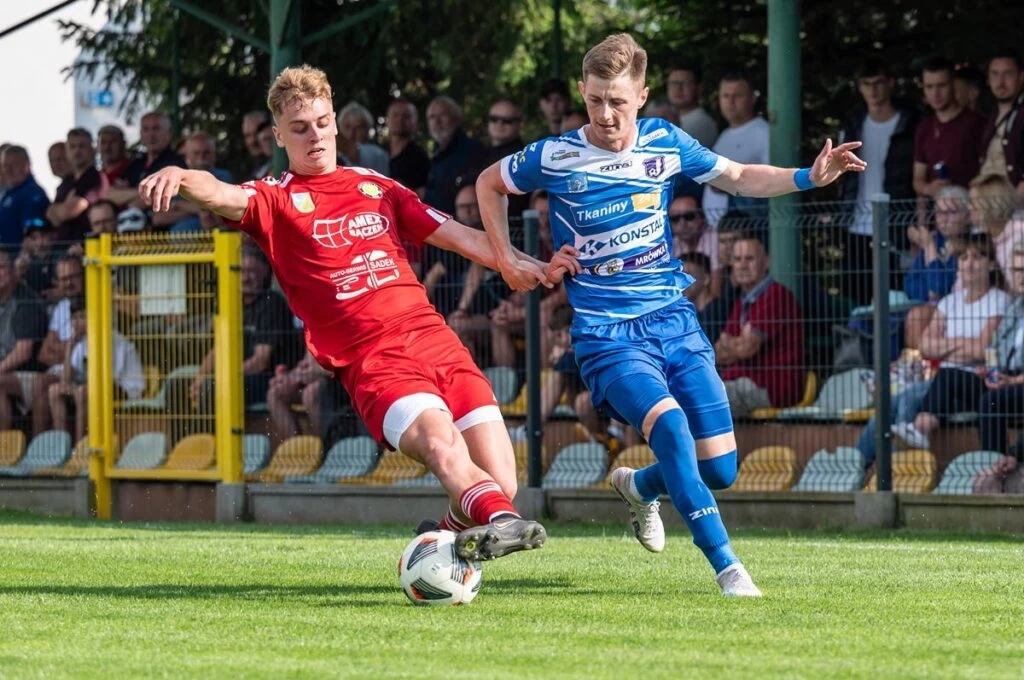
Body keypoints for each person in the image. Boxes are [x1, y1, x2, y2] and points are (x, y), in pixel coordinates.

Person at [475, 33, 865, 597]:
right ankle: (729, 569)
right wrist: (507, 258)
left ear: (641, 96)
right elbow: (488, 183)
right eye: (595, 100)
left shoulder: (665, 140)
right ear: (582, 93)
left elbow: (737, 176)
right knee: (672, 427)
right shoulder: (555, 155)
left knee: (719, 469)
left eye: (618, 101)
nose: (606, 115)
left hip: (674, 321)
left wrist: (809, 176)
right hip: (607, 335)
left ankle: (640, 487)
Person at [138, 65, 575, 562]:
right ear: (279, 135)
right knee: (440, 443)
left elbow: (459, 236)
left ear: (335, 123)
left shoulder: (376, 186)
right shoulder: (275, 199)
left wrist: (529, 265)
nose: (315, 135)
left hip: (435, 340)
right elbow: (223, 193)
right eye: (299, 128)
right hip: (372, 359)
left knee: (500, 479)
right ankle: (504, 522)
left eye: (322, 123)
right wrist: (181, 176)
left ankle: (441, 540)